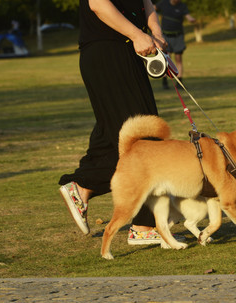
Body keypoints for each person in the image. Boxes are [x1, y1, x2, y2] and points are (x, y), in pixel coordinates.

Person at [59, 0, 170, 245]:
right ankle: (142, 225)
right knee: (141, 136)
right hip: (106, 52)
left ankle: (83, 187)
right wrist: (138, 35)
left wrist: (157, 36)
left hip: (127, 52)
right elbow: (98, 4)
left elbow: (147, 4)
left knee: (116, 134)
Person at [154, 0, 196, 89]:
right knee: (167, 59)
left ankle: (179, 82)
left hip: (178, 36)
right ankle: (165, 82)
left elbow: (188, 16)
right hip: (166, 36)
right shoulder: (163, 3)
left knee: (178, 59)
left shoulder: (182, 6)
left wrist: (191, 19)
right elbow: (152, 9)